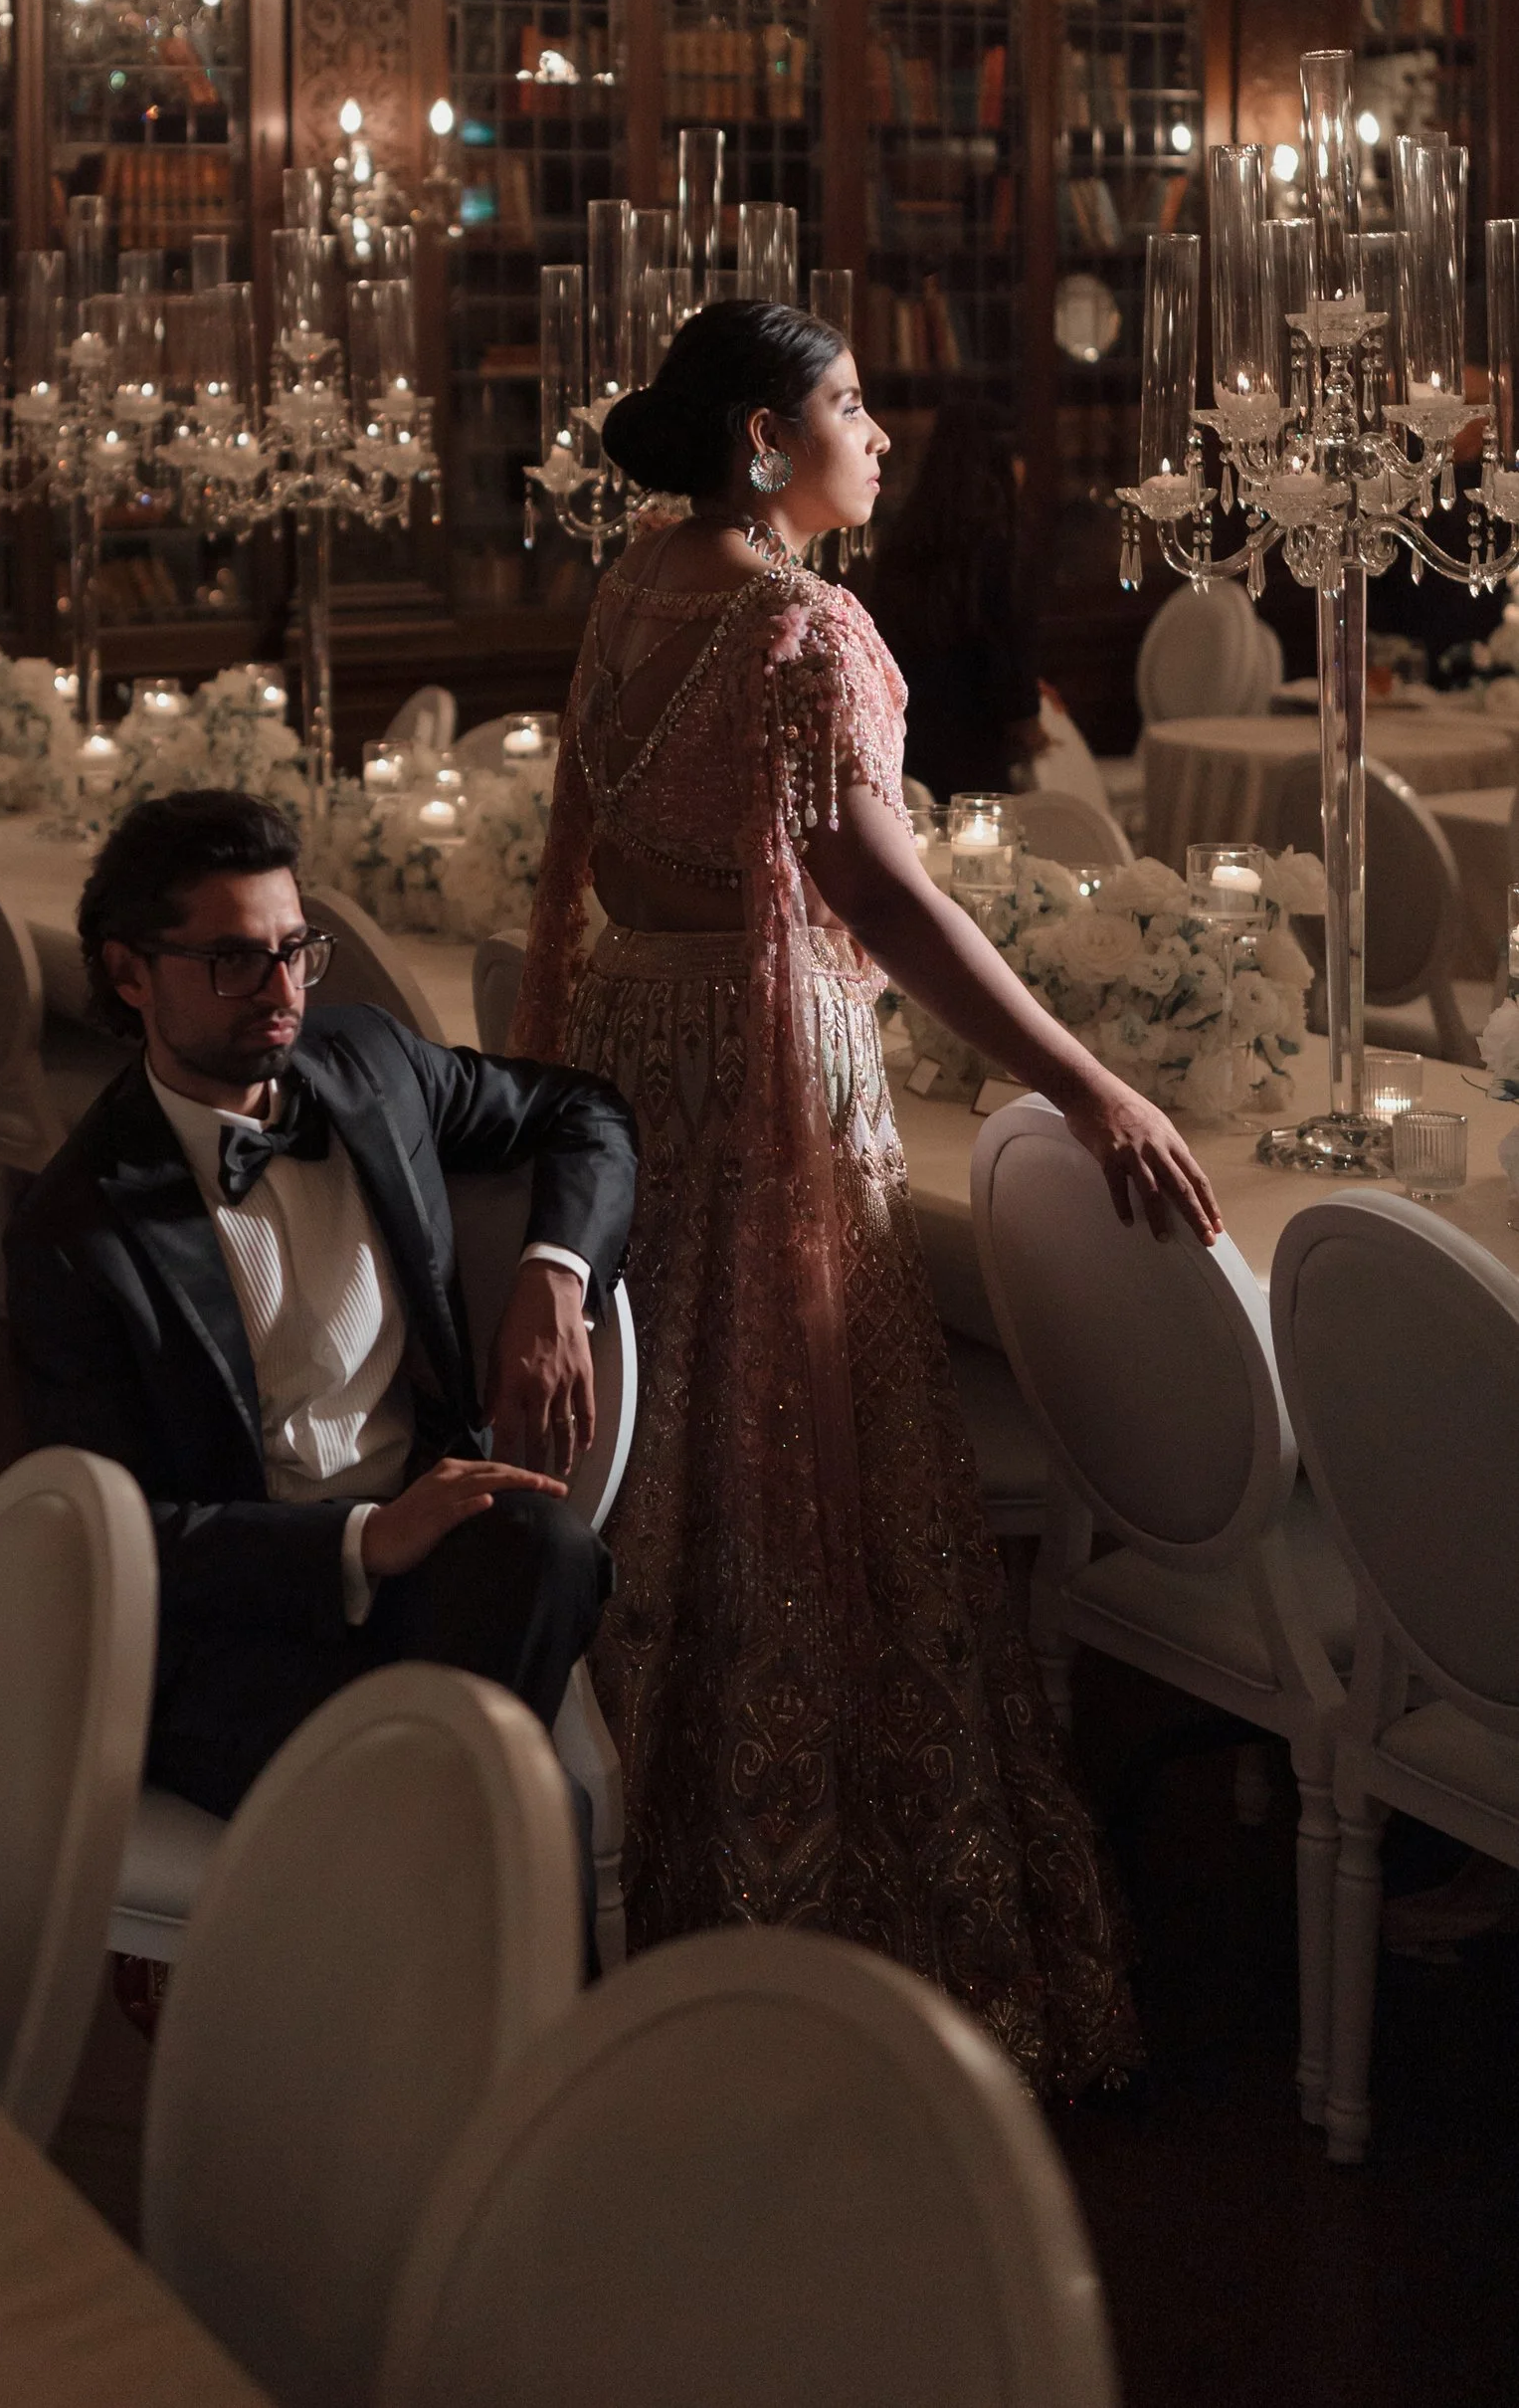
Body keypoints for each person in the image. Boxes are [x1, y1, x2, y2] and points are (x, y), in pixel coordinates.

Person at [511, 298, 1222, 2092]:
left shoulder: (633, 585)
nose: (885, 436)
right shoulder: (799, 630)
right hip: (762, 1079)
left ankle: (611, 1866)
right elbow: (895, 909)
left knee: (666, 1451)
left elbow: (571, 855)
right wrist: (1089, 1081)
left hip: (635, 1048)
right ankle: (803, 1902)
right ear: (765, 437)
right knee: (785, 1463)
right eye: (848, 406)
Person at [7, 788, 637, 1834]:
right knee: (502, 1801)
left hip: (429, 1566)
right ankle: (496, 1938)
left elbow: (586, 1113)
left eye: (295, 950)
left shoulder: (370, 1070)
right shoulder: (74, 1231)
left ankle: (448, 1883)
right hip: (239, 1628)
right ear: (128, 973)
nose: (279, 990)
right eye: (231, 960)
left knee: (545, 1554)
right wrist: (363, 1541)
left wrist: (554, 1276)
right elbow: (121, 1536)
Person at [860, 394, 1045, 803]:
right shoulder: (998, 543)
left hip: (908, 738)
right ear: (1003, 460)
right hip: (976, 744)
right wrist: (1028, 722)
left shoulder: (905, 537)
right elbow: (1009, 647)